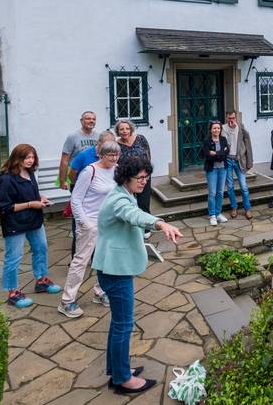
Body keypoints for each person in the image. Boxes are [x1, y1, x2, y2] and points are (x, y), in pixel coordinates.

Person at [92, 155, 184, 395]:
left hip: (113, 268)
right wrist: (161, 224)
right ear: (126, 177)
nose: (144, 182)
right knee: (123, 325)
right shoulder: (118, 200)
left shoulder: (125, 194)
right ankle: (123, 380)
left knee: (118, 324)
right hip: (114, 271)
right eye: (140, 178)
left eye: (146, 177)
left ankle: (118, 371)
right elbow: (134, 216)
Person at [0, 143, 60, 309]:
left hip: (34, 221)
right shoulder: (6, 179)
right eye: (27, 157)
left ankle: (41, 281)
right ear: (17, 158)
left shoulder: (29, 173)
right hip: (15, 224)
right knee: (13, 258)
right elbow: (2, 207)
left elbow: (29, 194)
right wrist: (31, 204)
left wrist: (40, 198)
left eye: (32, 157)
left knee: (41, 249)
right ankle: (12, 293)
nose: (30, 160)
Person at [57, 141, 121, 318]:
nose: (114, 158)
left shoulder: (116, 169)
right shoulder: (90, 171)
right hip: (90, 223)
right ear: (101, 154)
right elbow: (76, 199)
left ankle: (100, 292)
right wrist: (85, 222)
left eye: (117, 155)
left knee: (105, 259)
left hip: (108, 222)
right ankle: (67, 301)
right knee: (81, 261)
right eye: (110, 155)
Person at [67, 129, 119, 253]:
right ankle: (76, 256)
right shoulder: (85, 155)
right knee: (81, 236)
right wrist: (80, 188)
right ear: (99, 143)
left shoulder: (113, 160)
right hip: (85, 198)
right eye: (107, 144)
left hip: (102, 206)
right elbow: (72, 173)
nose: (110, 148)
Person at [221, 110, 254, 220]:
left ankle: (247, 209)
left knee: (243, 186)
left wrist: (238, 128)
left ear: (236, 118)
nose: (232, 120)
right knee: (230, 186)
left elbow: (247, 139)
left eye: (233, 118)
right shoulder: (223, 128)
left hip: (239, 160)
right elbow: (226, 143)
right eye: (229, 118)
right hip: (228, 160)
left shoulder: (240, 127)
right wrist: (231, 130)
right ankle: (234, 207)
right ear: (226, 118)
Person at [114, 119, 152, 213]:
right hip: (127, 180)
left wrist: (147, 174)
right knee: (129, 205)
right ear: (118, 131)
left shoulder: (140, 138)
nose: (125, 131)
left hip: (143, 178)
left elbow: (148, 156)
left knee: (144, 205)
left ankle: (146, 227)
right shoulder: (116, 145)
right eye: (121, 129)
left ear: (131, 129)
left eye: (127, 128)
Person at [59, 111, 98, 191]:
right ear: (81, 121)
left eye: (93, 119)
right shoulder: (73, 136)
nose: (91, 121)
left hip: (93, 177)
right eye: (88, 118)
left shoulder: (98, 136)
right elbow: (65, 160)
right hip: (76, 176)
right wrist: (62, 181)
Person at [202, 121, 231, 226]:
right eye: (214, 128)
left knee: (220, 192)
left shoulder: (223, 139)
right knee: (212, 193)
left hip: (223, 168)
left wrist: (216, 153)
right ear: (210, 129)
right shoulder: (207, 141)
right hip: (212, 169)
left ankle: (218, 213)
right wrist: (221, 153)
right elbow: (207, 155)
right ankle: (212, 215)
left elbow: (226, 152)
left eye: (218, 128)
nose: (216, 130)